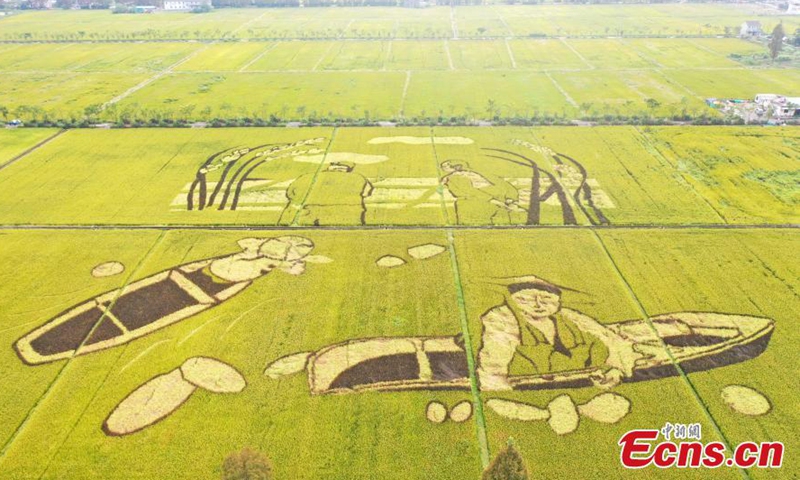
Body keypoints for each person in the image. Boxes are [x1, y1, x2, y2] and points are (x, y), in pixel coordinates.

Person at [477, 277, 638, 391]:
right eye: (526, 299)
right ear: (513, 300)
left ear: (557, 301)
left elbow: (610, 338)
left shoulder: (569, 317)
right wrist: (498, 388)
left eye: (546, 299)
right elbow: (493, 360)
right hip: (528, 386)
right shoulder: (502, 318)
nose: (538, 305)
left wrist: (616, 369)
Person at [282, 162, 373, 226]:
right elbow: (366, 193)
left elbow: (291, 192)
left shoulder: (308, 176)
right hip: (348, 209)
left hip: (309, 208)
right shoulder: (358, 177)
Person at [440, 160, 523, 225]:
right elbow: (505, 184)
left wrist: (496, 201)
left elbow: (468, 192)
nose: (443, 167)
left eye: (446, 165)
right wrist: (511, 201)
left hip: (476, 203)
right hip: (494, 199)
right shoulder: (478, 174)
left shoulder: (454, 177)